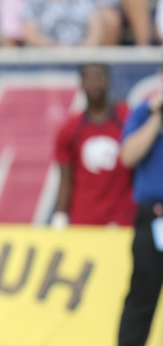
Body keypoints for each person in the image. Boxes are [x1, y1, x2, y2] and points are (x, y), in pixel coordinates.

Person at [86, 62, 163, 346]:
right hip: (153, 216)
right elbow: (128, 156)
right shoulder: (143, 113)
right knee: (142, 290)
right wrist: (157, 117)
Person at [52, 63, 134, 231]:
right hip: (84, 218)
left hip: (122, 216)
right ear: (81, 84)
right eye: (89, 78)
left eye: (99, 77)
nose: (94, 83)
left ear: (109, 81)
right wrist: (60, 216)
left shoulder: (127, 118)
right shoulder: (70, 128)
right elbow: (65, 177)